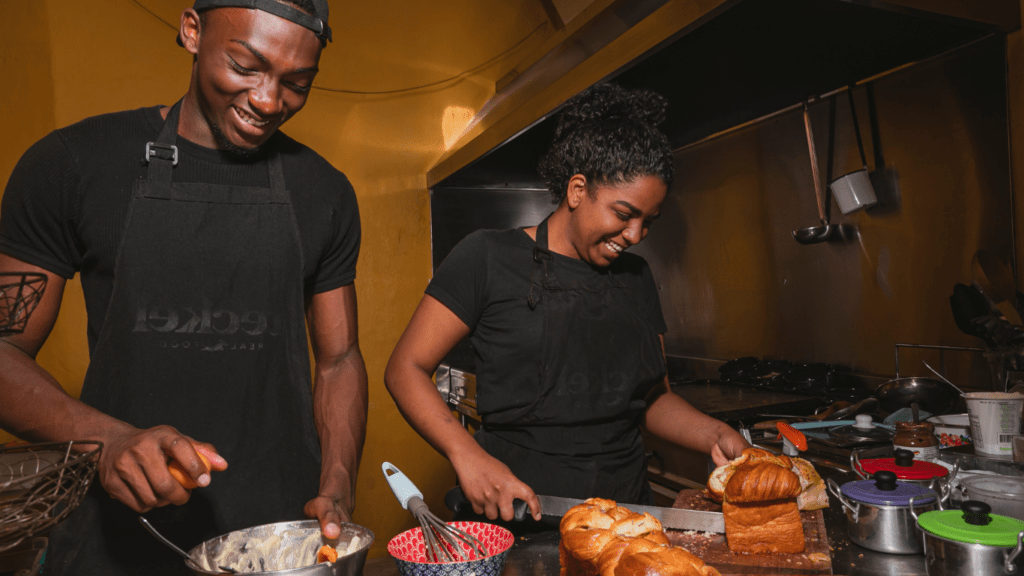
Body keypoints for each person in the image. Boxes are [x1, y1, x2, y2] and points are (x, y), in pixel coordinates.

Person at [0, 1, 367, 574]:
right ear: (192, 31)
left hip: (280, 543)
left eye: (296, 84)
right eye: (246, 66)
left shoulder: (325, 192)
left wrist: (339, 482)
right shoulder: (74, 165)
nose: (269, 102)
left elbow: (339, 359)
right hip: (119, 537)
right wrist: (107, 442)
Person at [384, 83, 749, 525]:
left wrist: (716, 432)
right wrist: (466, 455)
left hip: (626, 516)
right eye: (623, 213)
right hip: (521, 515)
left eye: (648, 222)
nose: (636, 236)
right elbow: (405, 368)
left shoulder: (637, 278)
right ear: (578, 190)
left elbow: (652, 400)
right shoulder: (486, 257)